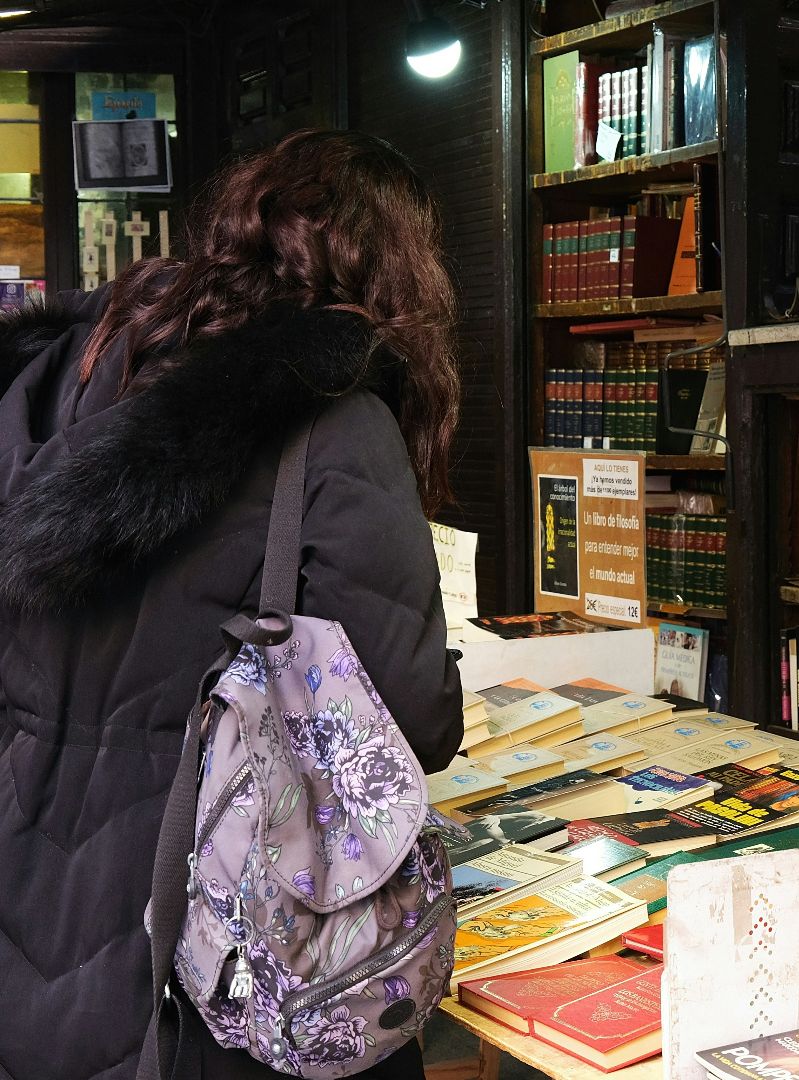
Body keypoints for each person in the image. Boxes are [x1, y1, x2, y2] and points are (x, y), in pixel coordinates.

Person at [0, 129, 465, 1079]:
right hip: (211, 967)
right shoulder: (336, 418)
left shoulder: (65, 377)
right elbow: (410, 719)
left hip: (27, 917)